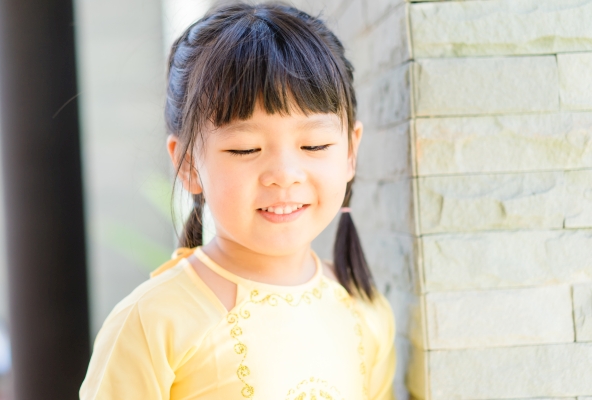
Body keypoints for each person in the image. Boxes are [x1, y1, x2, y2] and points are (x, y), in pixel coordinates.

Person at [80, 3, 396, 399]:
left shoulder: (366, 310)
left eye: (314, 144)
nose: (284, 173)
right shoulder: (152, 322)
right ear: (189, 164)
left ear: (350, 151)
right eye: (246, 149)